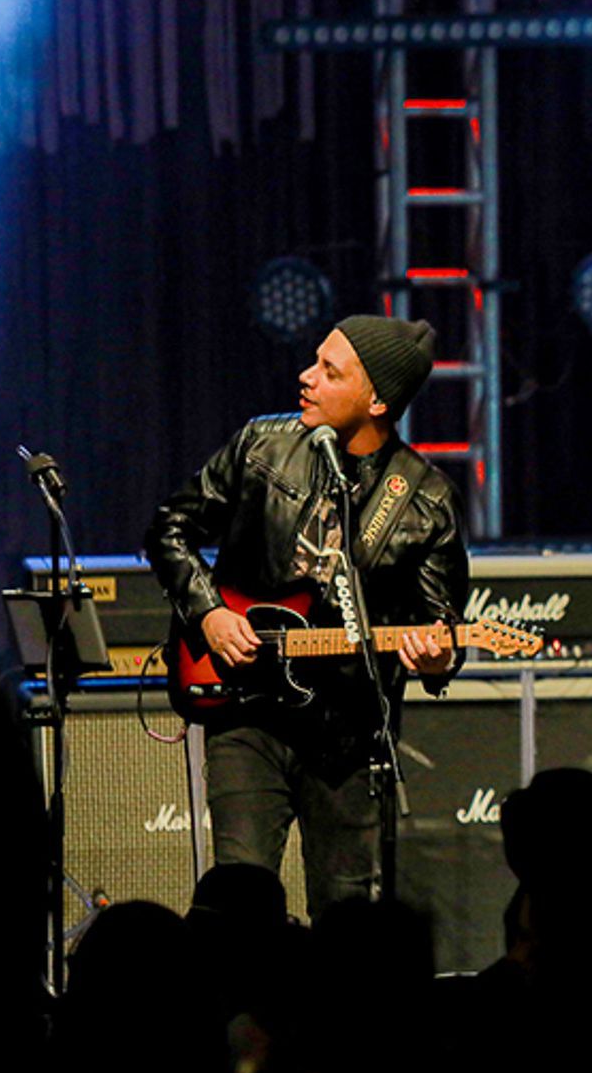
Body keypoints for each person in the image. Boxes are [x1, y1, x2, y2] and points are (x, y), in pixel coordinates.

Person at [147, 315, 469, 917]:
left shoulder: (425, 500)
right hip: (247, 716)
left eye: (330, 370)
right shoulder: (261, 446)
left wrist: (441, 655)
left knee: (346, 919)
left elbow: (442, 627)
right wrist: (209, 615)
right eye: (315, 361)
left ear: (376, 399)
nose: (306, 377)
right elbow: (169, 528)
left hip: (349, 740)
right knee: (238, 906)